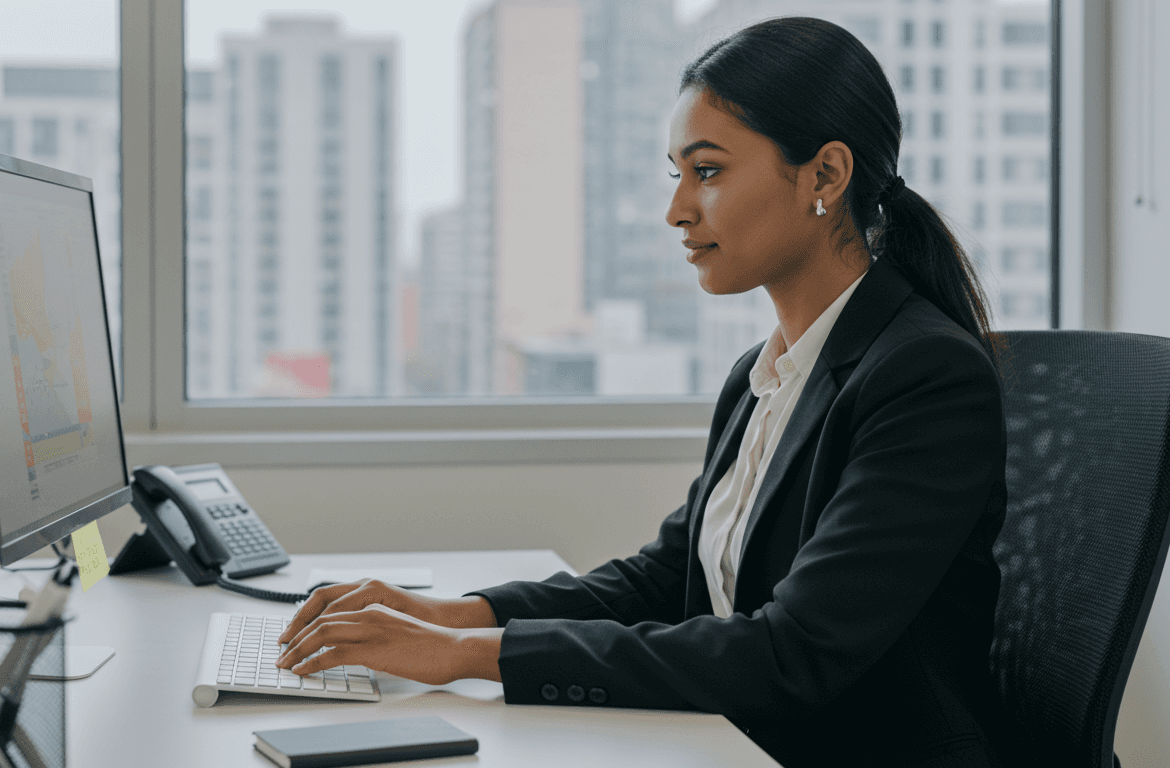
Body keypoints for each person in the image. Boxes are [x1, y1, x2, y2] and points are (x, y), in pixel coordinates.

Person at [277, 17, 1020, 767]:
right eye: (679, 175)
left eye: (709, 172)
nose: (676, 211)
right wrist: (448, 616)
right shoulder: (761, 375)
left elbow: (789, 653)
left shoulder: (925, 377)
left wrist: (466, 654)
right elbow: (666, 580)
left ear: (825, 176)